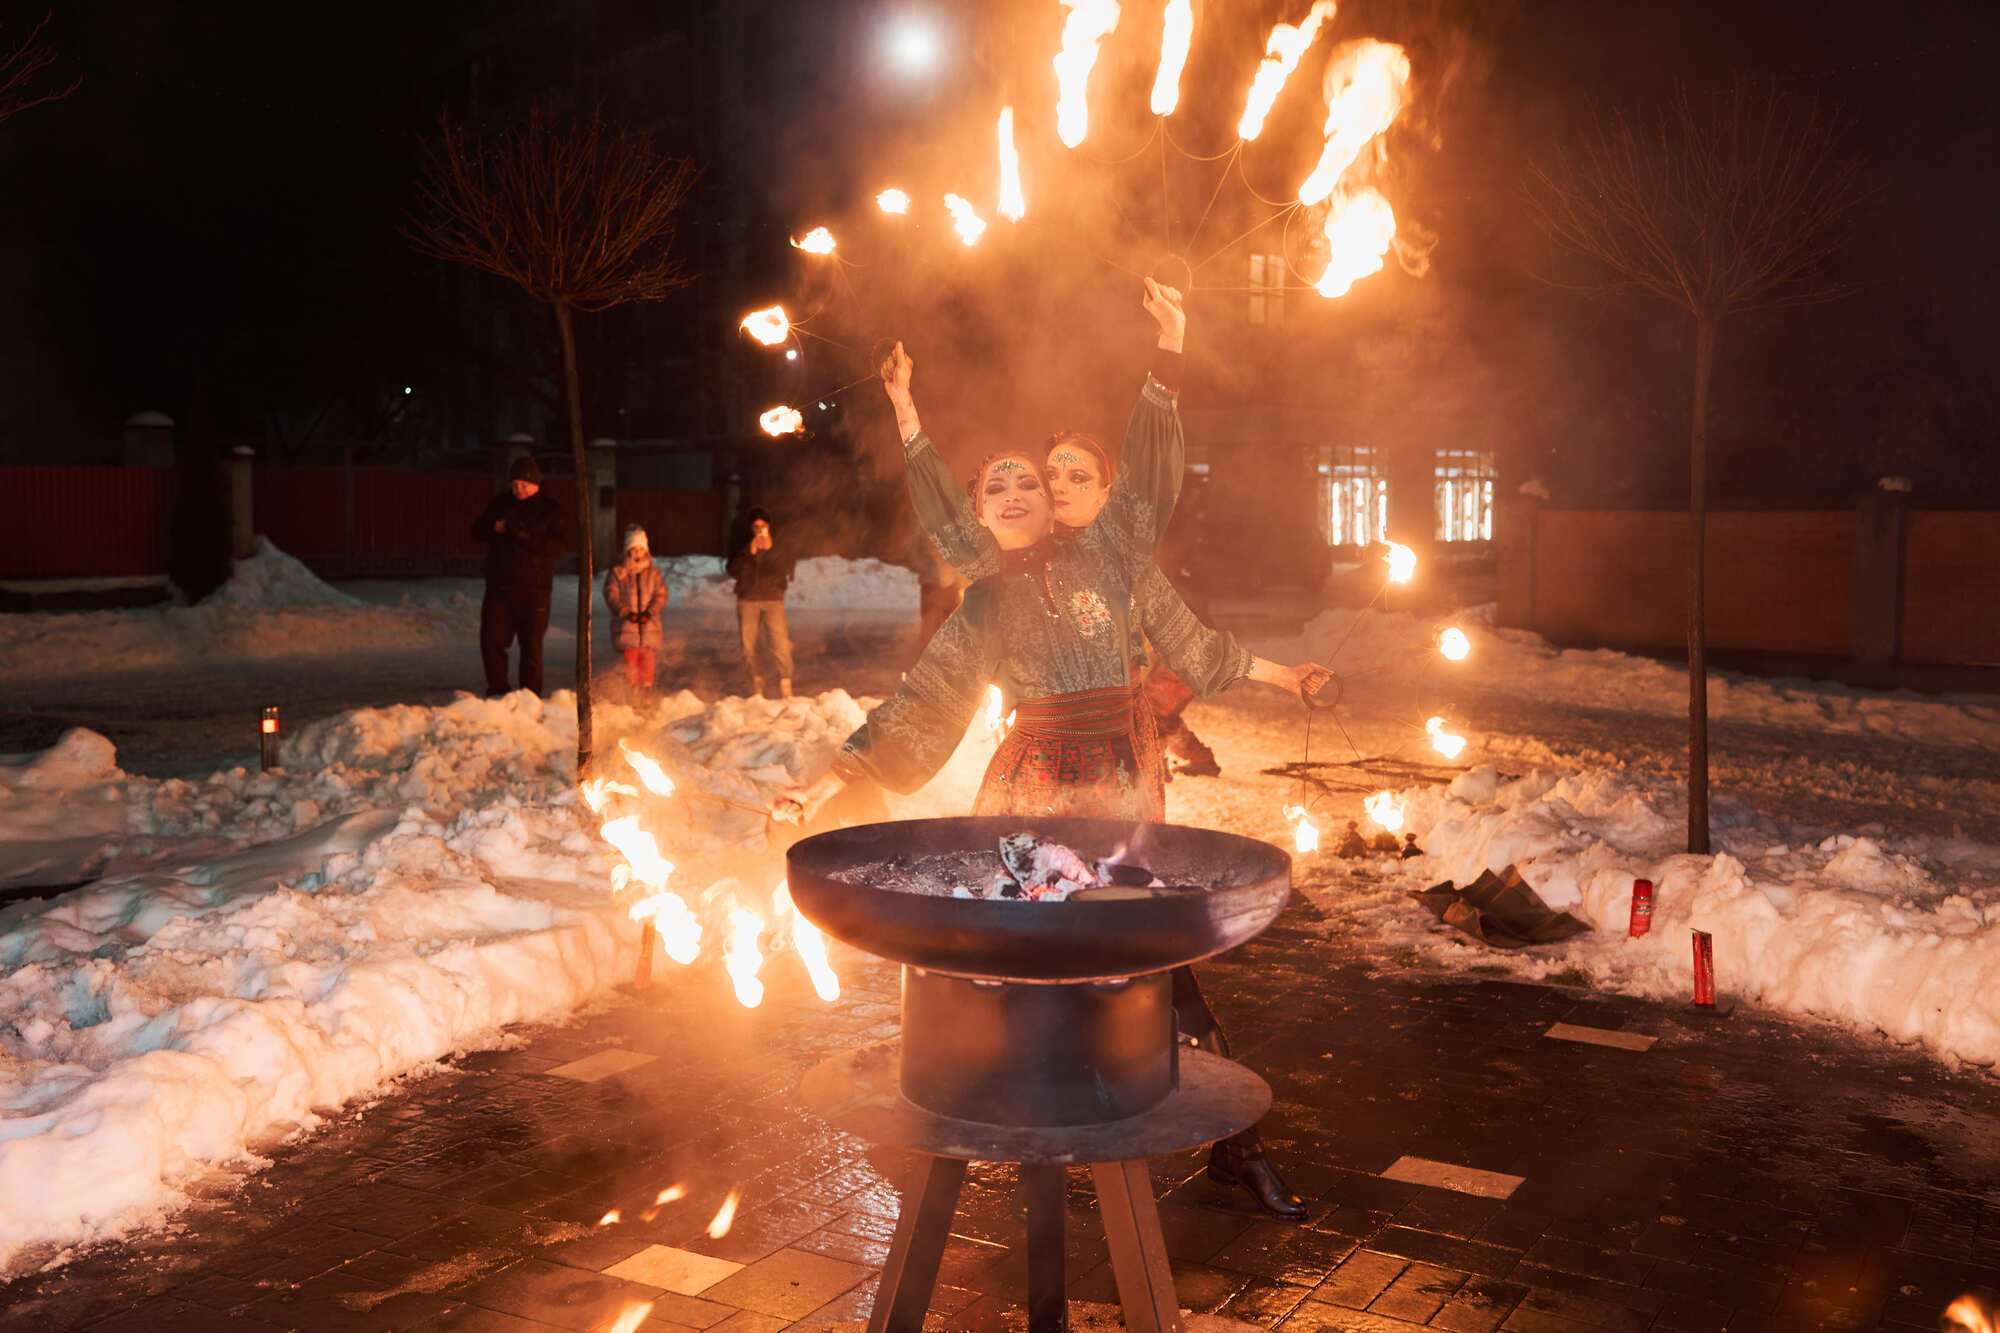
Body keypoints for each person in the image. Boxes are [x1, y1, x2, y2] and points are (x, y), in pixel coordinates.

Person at [778, 280, 1326, 1221]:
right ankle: (1037, 1128)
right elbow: (924, 699)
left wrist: (1170, 352)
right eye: (1004, 485)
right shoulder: (985, 601)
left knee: (1150, 958)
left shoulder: (1113, 558)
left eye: (1036, 477)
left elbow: (1199, 643)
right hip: (1031, 790)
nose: (1026, 489)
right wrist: (829, 778)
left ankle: (1230, 1146)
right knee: (1033, 962)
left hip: (1123, 783)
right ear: (981, 515)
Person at [881, 345, 1294, 780]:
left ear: (1108, 494)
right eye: (1051, 476)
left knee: (1158, 729)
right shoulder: (1010, 560)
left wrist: (1288, 677)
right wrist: (905, 410)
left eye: (1078, 477)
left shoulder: (1125, 561)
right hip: (1036, 770)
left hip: (1123, 763)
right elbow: (953, 521)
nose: (1059, 487)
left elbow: (1192, 643)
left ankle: (1195, 759)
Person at [470, 455, 569, 697]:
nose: (519, 489)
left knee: (531, 646)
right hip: (500, 588)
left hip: (535, 590)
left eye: (524, 484)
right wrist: (495, 528)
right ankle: (497, 690)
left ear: (536, 483)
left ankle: (530, 696)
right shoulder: (500, 504)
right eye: (514, 484)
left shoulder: (550, 509)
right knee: (491, 639)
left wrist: (527, 537)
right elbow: (477, 530)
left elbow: (559, 546)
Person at [728, 506, 797, 699]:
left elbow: (788, 567)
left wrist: (772, 550)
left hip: (772, 598)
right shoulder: (742, 544)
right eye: (755, 526)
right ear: (750, 528)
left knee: (779, 642)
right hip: (747, 599)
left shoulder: (778, 543)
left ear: (769, 526)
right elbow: (732, 570)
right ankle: (755, 682)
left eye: (763, 525)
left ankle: (785, 682)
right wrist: (748, 552)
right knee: (748, 645)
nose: (759, 530)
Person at [604, 524, 667, 692]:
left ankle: (646, 689)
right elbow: (611, 595)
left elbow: (660, 595)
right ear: (627, 551)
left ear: (646, 551)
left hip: (649, 627)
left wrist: (650, 612)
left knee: (647, 659)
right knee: (631, 660)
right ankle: (632, 689)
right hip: (627, 627)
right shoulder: (619, 573)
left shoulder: (653, 573)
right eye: (634, 549)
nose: (638, 553)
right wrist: (625, 612)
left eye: (641, 549)